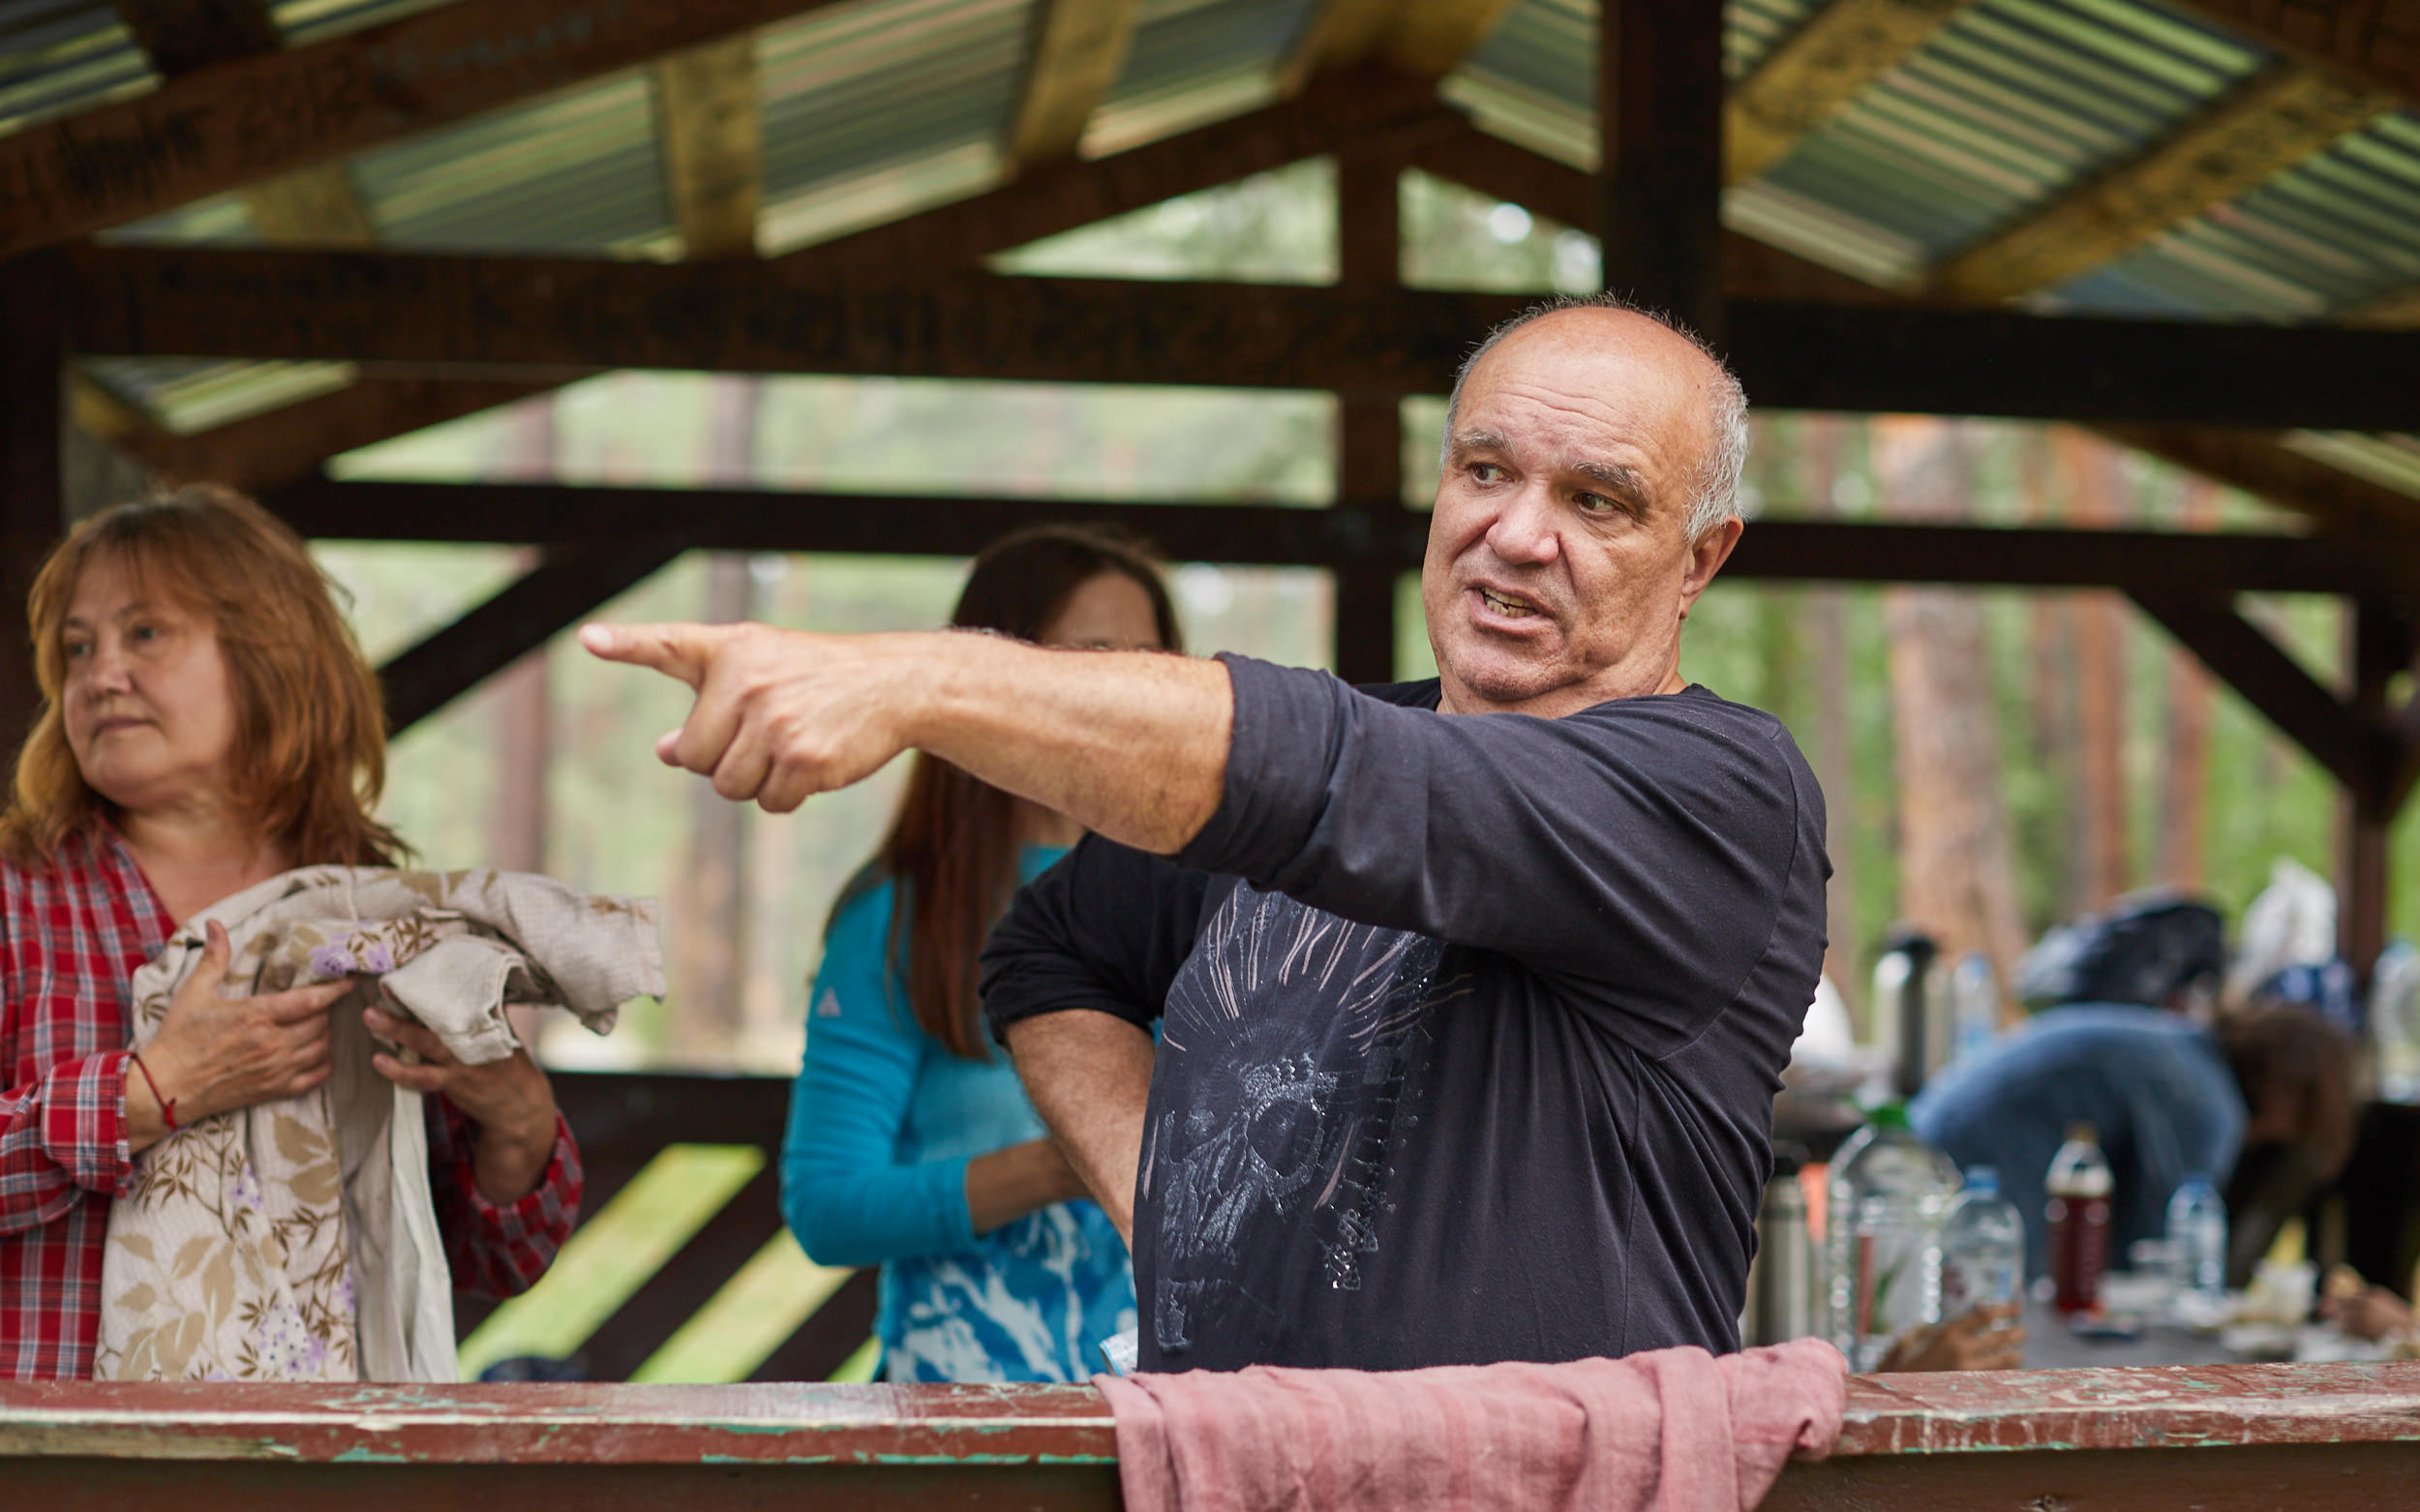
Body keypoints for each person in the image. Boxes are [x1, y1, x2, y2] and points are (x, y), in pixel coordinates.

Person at [588, 291, 1829, 1374]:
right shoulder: (1357, 757)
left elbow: (1344, 774)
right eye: (1485, 470)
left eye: (1597, 499)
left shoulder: (1713, 790)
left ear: (1698, 558)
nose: (1514, 531)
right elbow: (1049, 953)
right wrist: (1175, 1210)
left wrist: (921, 681)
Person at [0, 486, 581, 1379]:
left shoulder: (376, 914)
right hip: (44, 1490)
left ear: (268, 655)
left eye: (144, 633)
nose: (99, 672)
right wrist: (146, 1094)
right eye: (77, 647)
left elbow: (484, 1259)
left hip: (305, 1499)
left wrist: (518, 1123)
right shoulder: (15, 896)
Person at [780, 527, 1176, 1380]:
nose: (1128, 685)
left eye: (1151, 658)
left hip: (1178, 1407)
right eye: (1092, 654)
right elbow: (825, 1205)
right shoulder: (900, 915)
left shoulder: (1218, 897)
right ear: (997, 676)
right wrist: (1063, 1161)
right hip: (958, 1412)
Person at [1910, 1000, 2356, 1285]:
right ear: (2289, 1090)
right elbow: (2159, 1258)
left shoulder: (2181, 1049)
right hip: (1964, 1185)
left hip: (1929, 1146)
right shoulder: (2209, 1105)